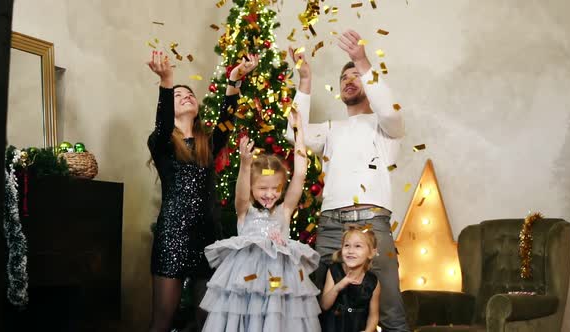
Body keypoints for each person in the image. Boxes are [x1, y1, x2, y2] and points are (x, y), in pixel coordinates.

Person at [286, 29, 409, 331]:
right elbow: (293, 133)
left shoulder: (385, 128)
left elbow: (391, 112)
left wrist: (361, 60)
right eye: (344, 78)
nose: (349, 80)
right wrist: (304, 82)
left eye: (356, 76)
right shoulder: (331, 129)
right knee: (320, 310)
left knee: (391, 312)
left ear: (368, 82)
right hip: (330, 228)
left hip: (372, 226)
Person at [199, 60, 321, 330]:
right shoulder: (246, 211)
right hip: (245, 281)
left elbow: (300, 174)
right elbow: (240, 196)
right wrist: (244, 165)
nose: (269, 195)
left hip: (281, 283)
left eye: (275, 189)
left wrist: (300, 133)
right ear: (254, 189)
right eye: (262, 189)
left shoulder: (284, 211)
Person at [146, 50, 257, 332]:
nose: (186, 96)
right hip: (172, 236)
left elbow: (227, 121)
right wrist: (167, 80)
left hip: (207, 237)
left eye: (189, 94)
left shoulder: (209, 142)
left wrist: (234, 80)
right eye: (177, 94)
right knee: (162, 320)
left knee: (207, 320)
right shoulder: (161, 141)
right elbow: (161, 123)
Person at [321, 227, 381, 332]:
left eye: (358, 246)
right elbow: (324, 305)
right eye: (347, 245)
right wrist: (339, 286)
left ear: (371, 253)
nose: (350, 251)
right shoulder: (334, 271)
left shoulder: (372, 282)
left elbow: (373, 316)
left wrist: (368, 331)